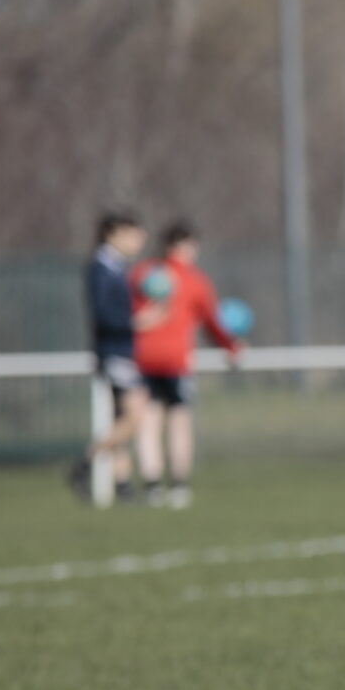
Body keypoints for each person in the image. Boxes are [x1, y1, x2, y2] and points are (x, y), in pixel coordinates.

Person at [126, 222, 243, 509]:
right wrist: (231, 347)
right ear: (185, 247)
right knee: (178, 422)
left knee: (149, 422)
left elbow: (132, 313)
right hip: (175, 361)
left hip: (142, 358)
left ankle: (153, 485)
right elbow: (213, 321)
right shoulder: (193, 280)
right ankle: (178, 485)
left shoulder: (143, 273)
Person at [68, 211, 150, 504]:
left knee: (122, 418)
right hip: (114, 353)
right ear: (114, 233)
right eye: (135, 234)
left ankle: (123, 484)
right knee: (136, 414)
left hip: (122, 351)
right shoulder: (101, 267)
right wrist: (136, 322)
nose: (140, 241)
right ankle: (86, 463)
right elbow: (102, 314)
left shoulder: (116, 267)